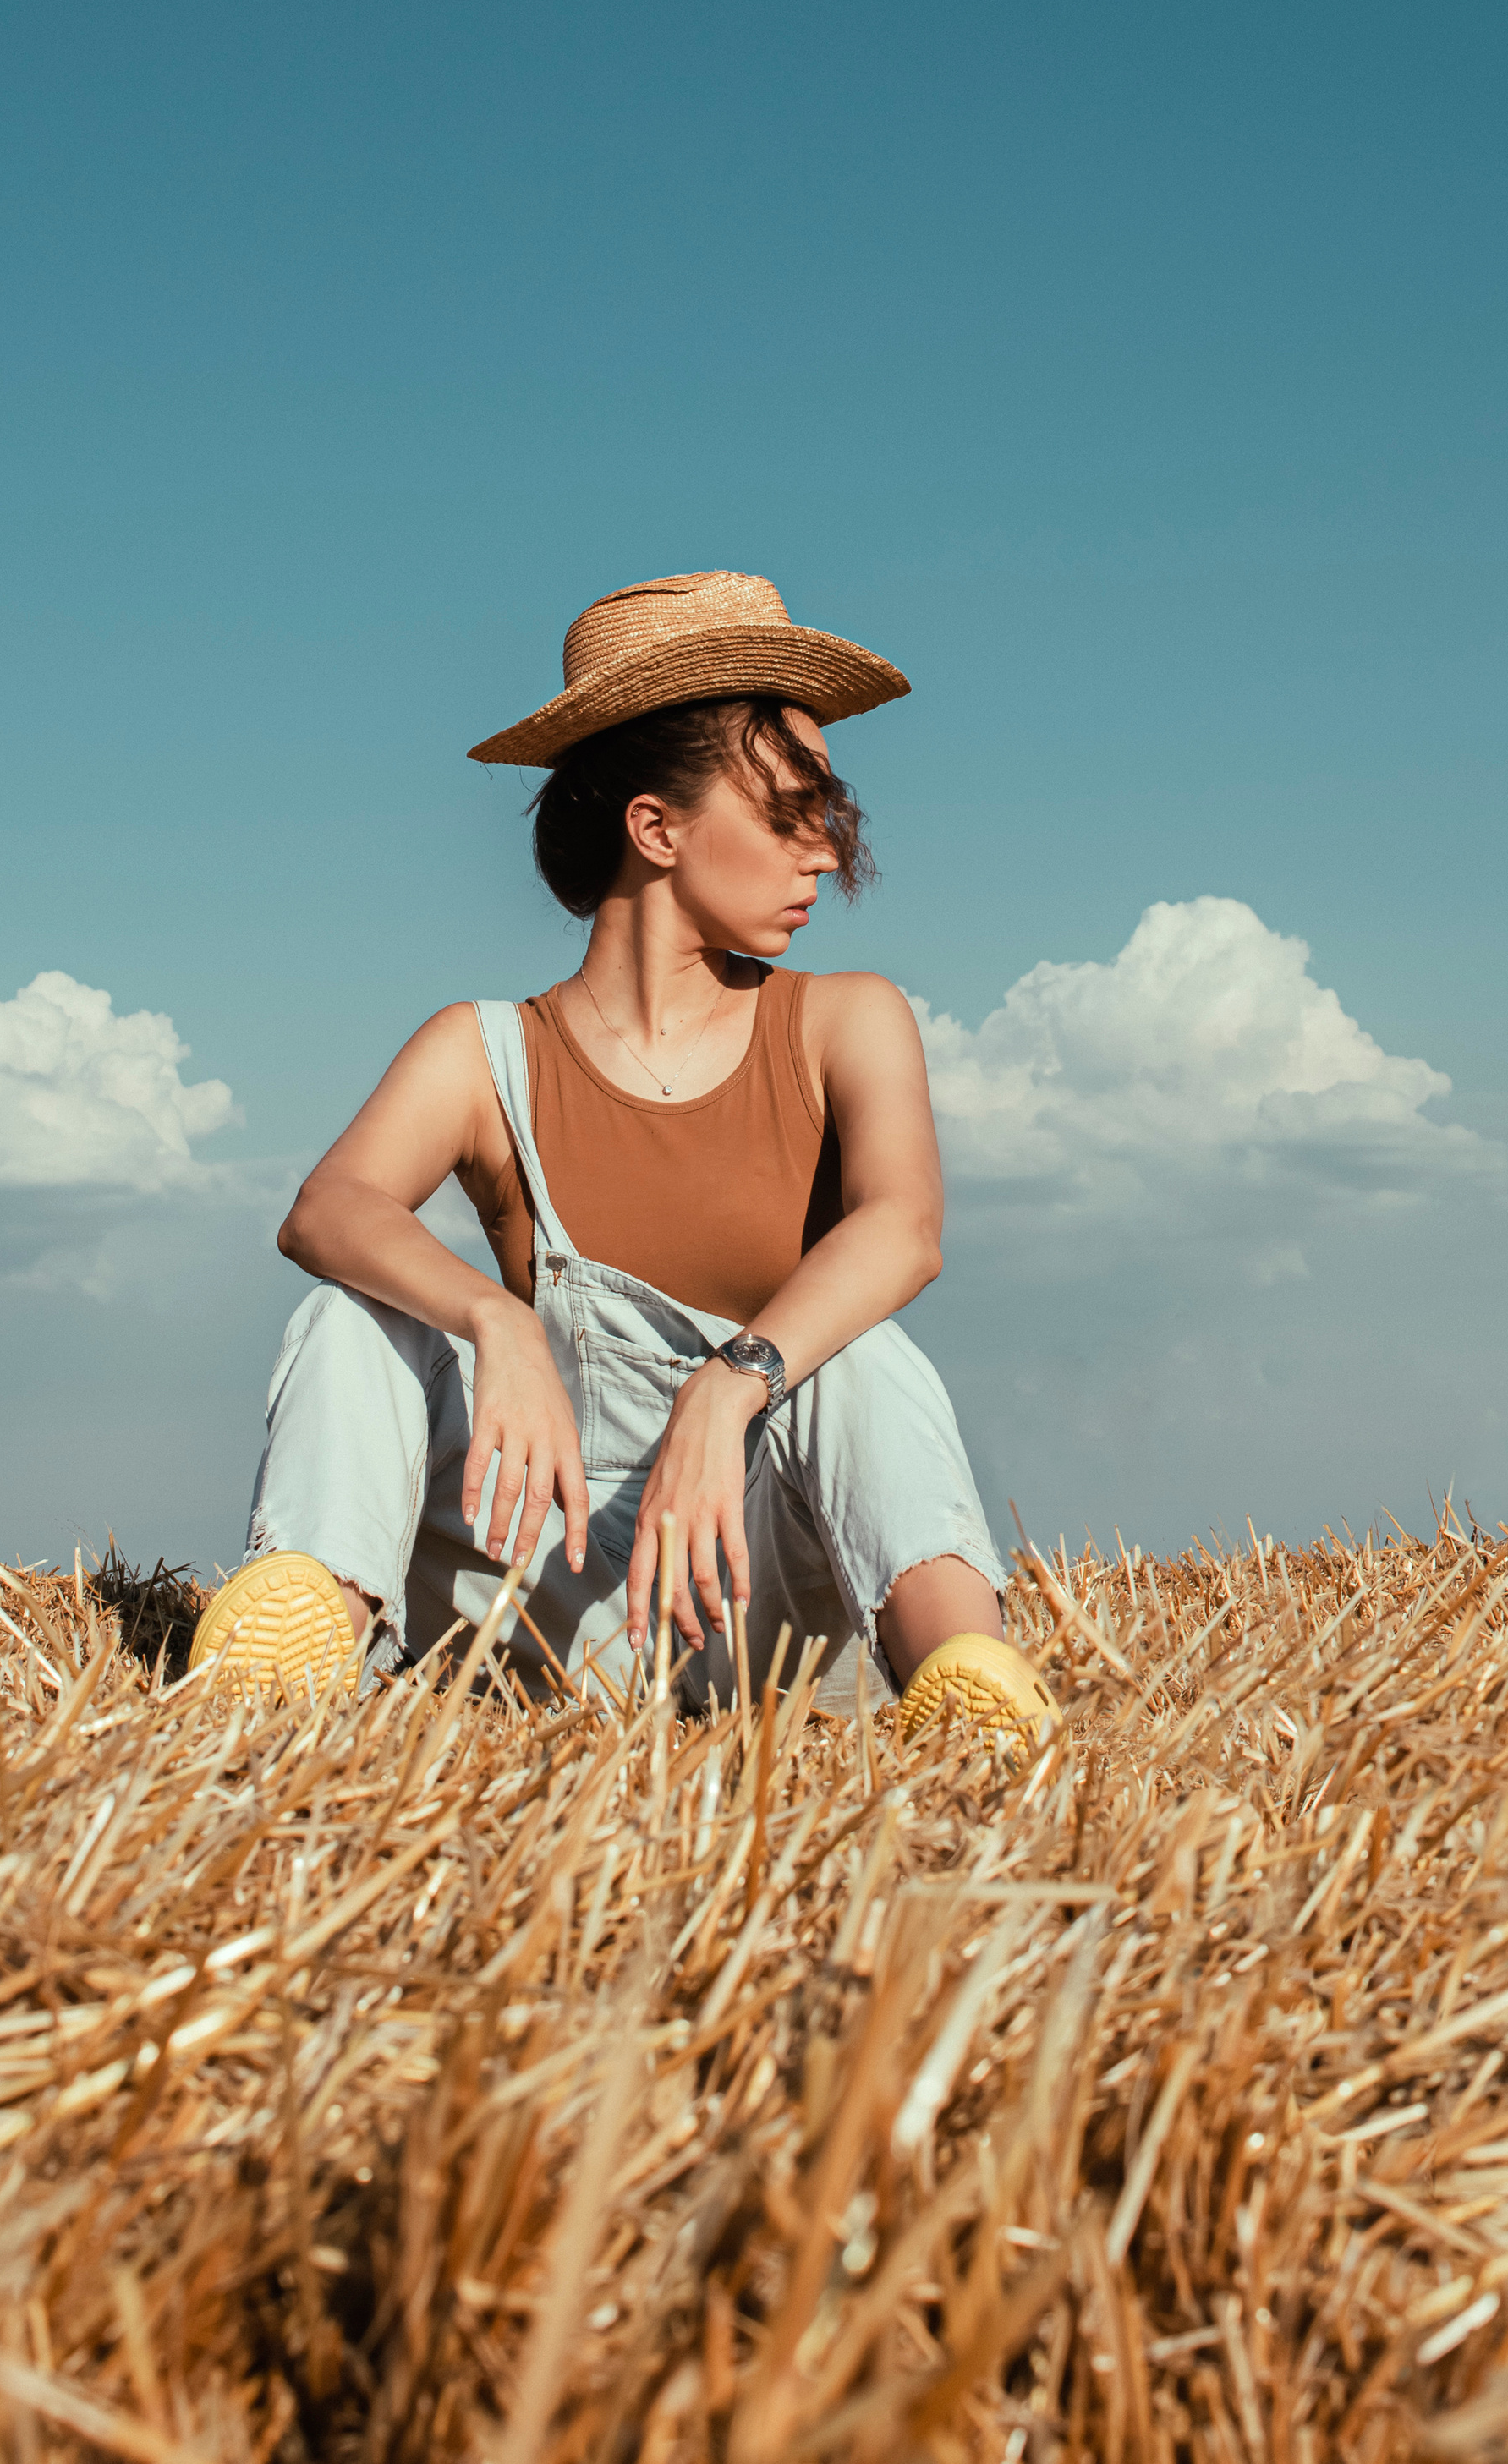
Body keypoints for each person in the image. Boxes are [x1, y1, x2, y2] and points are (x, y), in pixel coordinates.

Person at [191, 569, 1054, 1749]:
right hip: (533, 1598)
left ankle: (970, 1677)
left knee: (865, 1354)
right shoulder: (482, 1048)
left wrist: (731, 1380)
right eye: (790, 815)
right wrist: (496, 1325)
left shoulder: (847, 1019)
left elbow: (902, 1228)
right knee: (355, 1316)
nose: (824, 857)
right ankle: (297, 1656)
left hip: (750, 1591)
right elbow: (327, 1209)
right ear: (656, 827)